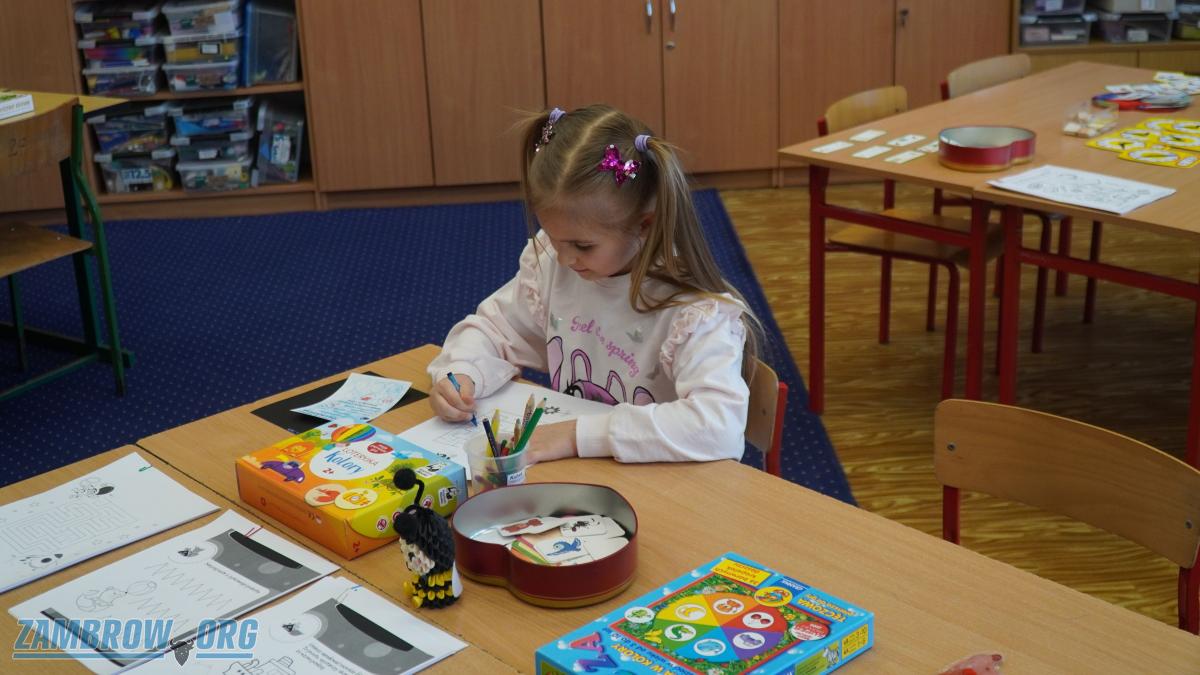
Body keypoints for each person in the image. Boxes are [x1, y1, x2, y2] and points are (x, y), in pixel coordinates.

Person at [428, 104, 761, 464]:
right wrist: (462, 373)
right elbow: (495, 329)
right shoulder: (556, 266)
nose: (564, 258)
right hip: (584, 471)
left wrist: (577, 436)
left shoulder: (693, 313)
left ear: (644, 225)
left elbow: (719, 427)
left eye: (582, 246)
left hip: (659, 481)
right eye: (554, 238)